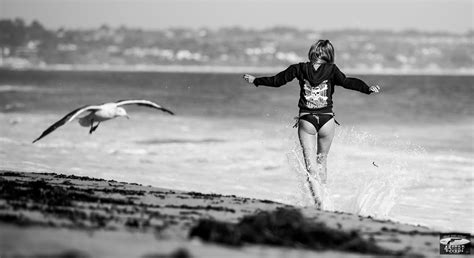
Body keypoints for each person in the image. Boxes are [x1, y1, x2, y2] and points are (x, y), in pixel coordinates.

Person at [243, 39, 380, 185]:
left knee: (311, 167)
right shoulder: (332, 69)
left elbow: (277, 81)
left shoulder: (299, 68)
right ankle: (324, 202)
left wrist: (256, 80)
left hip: (307, 119)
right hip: (327, 120)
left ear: (312, 52)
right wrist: (367, 89)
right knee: (322, 162)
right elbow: (348, 82)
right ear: (329, 54)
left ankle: (316, 201)